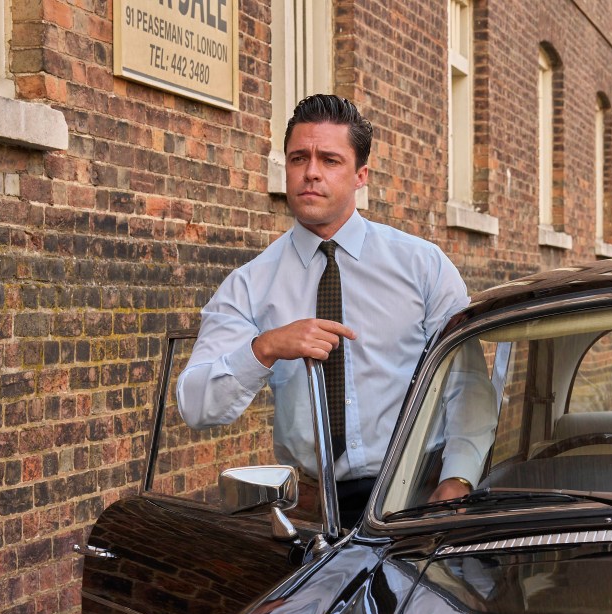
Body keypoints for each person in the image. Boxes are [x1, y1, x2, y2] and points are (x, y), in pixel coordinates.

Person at [176, 94, 472, 526]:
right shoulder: (252, 283)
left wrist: (458, 478)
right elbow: (195, 403)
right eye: (299, 158)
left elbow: (466, 382)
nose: (311, 172)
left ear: (360, 176)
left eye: (330, 160)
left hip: (416, 499)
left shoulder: (423, 266)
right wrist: (266, 347)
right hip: (312, 513)